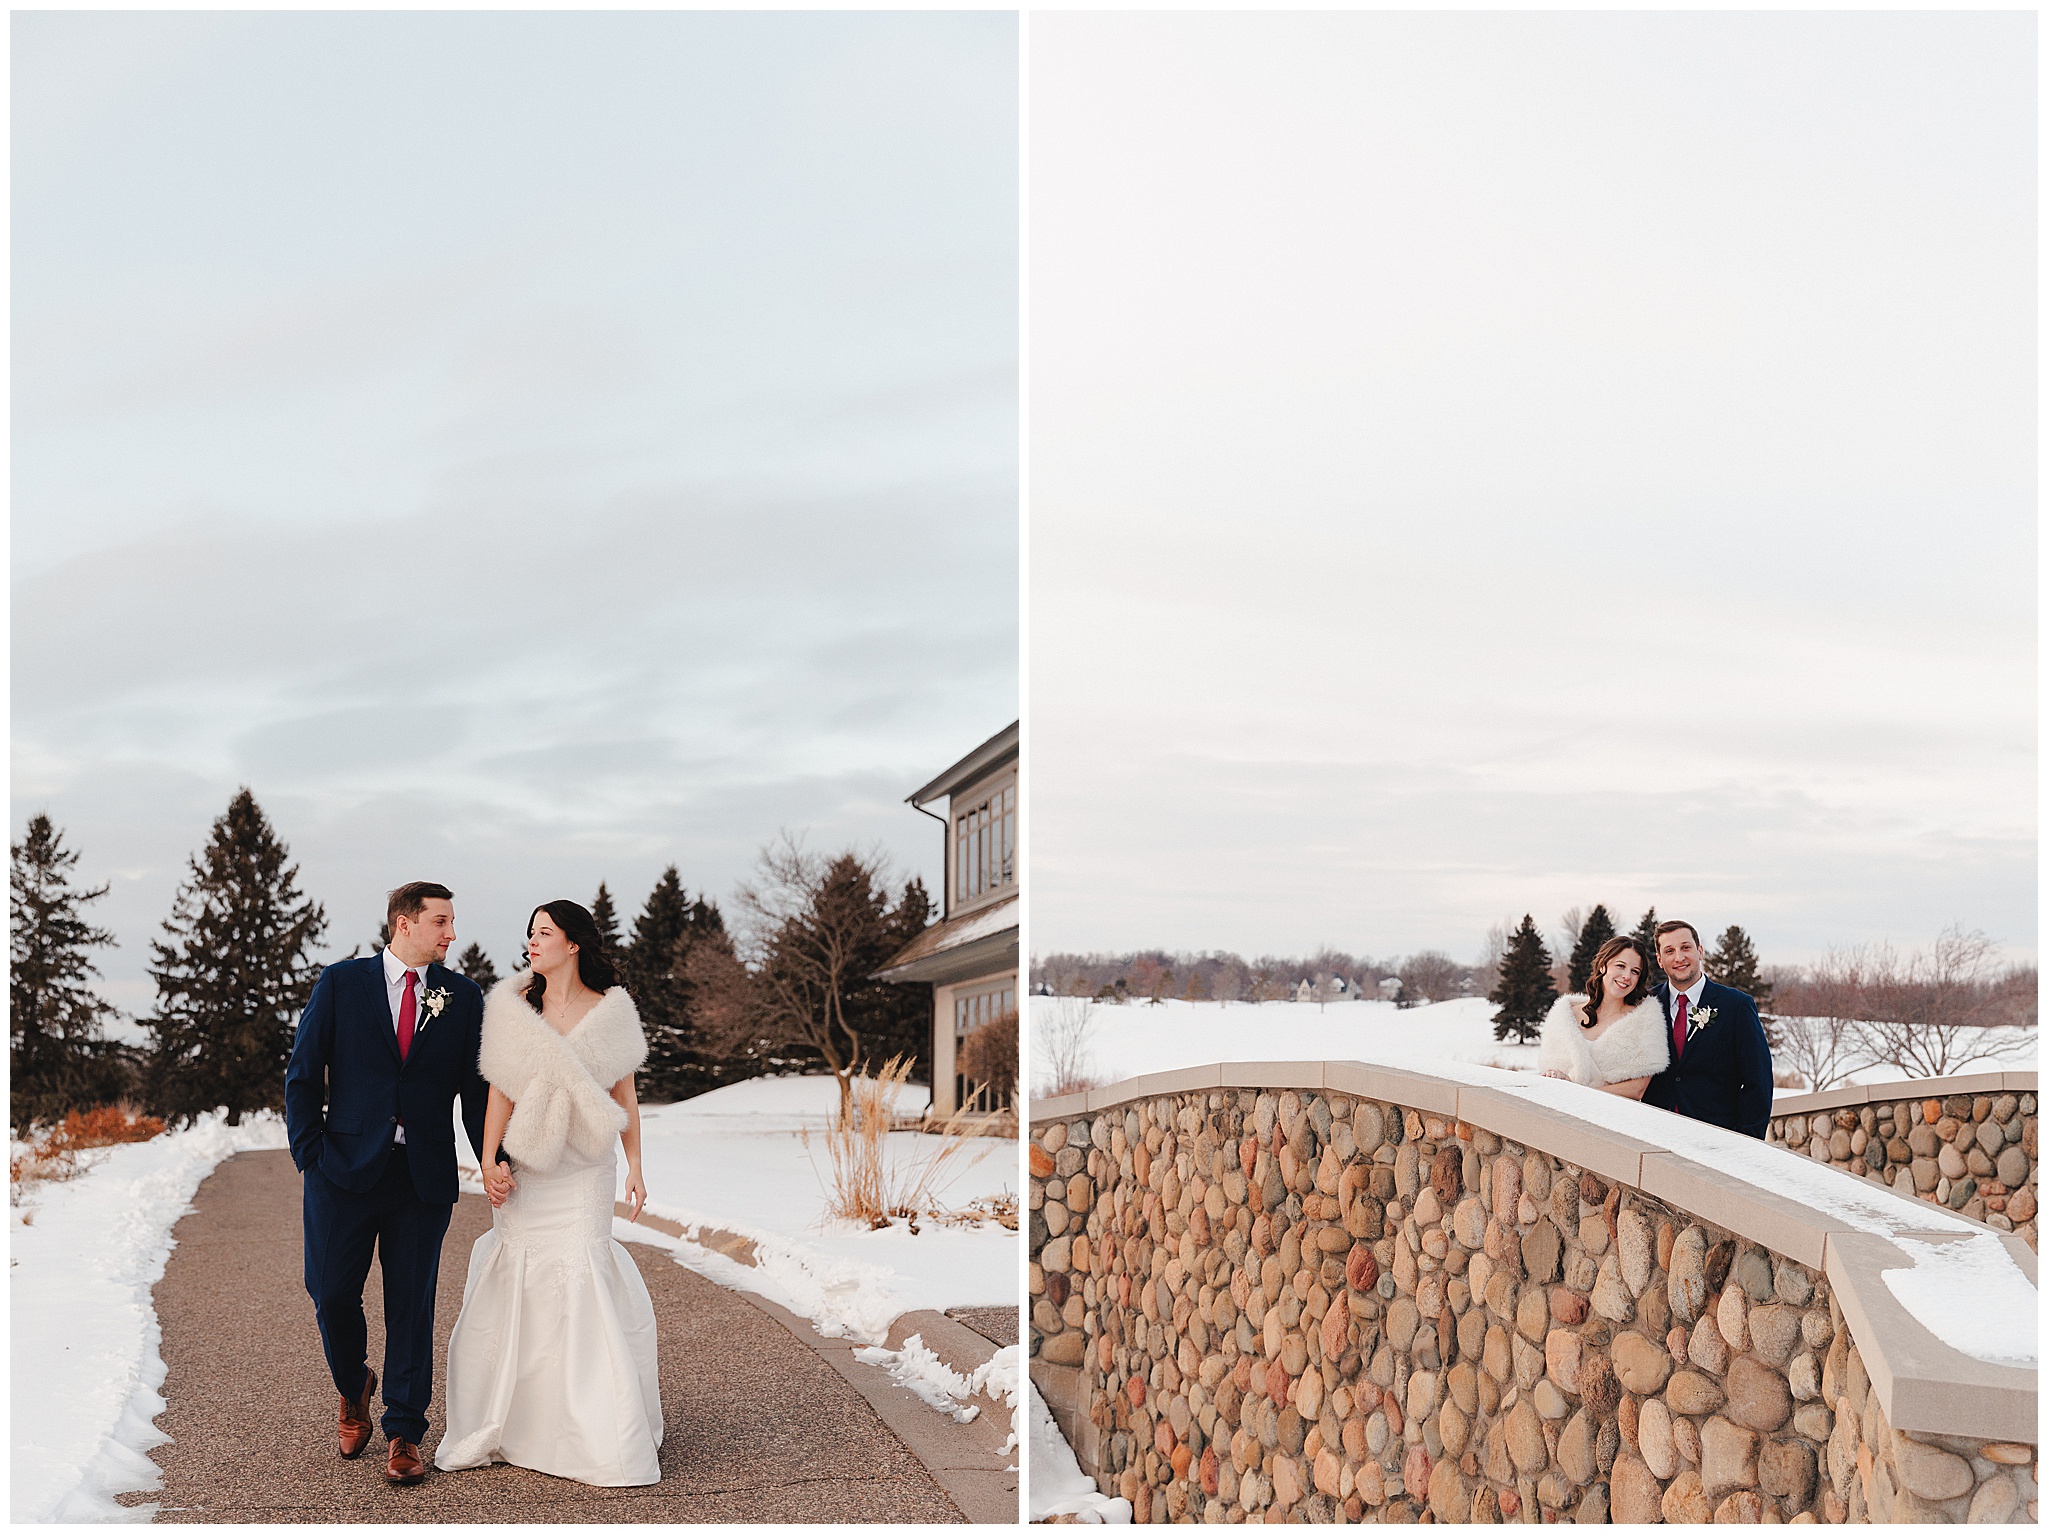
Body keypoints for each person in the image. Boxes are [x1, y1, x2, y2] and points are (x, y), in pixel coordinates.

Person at [434, 900, 662, 1486]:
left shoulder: (612, 1011)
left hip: (586, 1168)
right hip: (529, 1167)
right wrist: (489, 1159)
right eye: (530, 933)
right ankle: (519, 1422)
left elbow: (625, 1096)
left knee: (583, 1271)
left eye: (544, 933)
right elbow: (499, 1092)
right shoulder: (512, 1008)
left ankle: (595, 1429)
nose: (532, 942)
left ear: (573, 943)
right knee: (522, 1277)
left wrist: (636, 1164)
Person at [283, 881, 492, 1486]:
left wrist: (492, 1158)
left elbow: (475, 1091)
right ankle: (354, 1387)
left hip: (421, 1176)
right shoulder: (341, 984)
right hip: (341, 1171)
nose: (451, 933)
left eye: (451, 921)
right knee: (330, 1292)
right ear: (404, 923)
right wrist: (309, 1154)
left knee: (411, 1303)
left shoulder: (462, 996)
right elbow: (304, 1072)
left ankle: (404, 1429)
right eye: (441, 921)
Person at [1641, 919, 1774, 1138]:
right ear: (1660, 960)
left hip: (1716, 1140)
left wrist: (1746, 1141)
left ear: (1700, 951)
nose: (1679, 957)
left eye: (1686, 948)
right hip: (1654, 1136)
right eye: (1669, 951)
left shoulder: (1736, 1006)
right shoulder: (1646, 1004)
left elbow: (1758, 1081)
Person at [1538, 935, 1669, 1097]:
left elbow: (1637, 1089)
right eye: (1620, 966)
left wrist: (1578, 1094)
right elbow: (1547, 1070)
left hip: (1609, 1111)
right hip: (1558, 1106)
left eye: (1635, 971)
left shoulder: (1644, 1020)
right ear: (1602, 966)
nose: (1627, 976)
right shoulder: (1564, 1015)